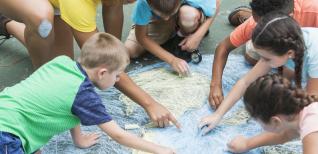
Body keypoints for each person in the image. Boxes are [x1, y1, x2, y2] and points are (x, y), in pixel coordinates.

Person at [0, 0, 180, 129]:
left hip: (62, 4)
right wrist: (149, 104)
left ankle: (5, 25)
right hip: (52, 7)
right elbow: (104, 59)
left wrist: (119, 58)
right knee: (55, 68)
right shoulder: (78, 6)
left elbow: (112, 6)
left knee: (62, 59)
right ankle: (42, 79)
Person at [200, 12, 318, 135]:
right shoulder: (288, 44)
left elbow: (309, 108)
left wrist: (255, 138)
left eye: (267, 59)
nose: (262, 61)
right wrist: (218, 115)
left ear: (289, 55)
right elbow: (245, 81)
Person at [0, 33, 175, 154]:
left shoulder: (62, 62)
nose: (117, 80)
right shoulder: (84, 96)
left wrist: (79, 139)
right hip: (7, 135)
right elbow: (118, 134)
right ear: (102, 73)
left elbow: (68, 106)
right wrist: (158, 149)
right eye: (117, 75)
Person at [208, 0, 318, 109]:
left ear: (289, 17)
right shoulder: (260, 23)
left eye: (259, 23)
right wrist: (215, 85)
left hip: (313, 47)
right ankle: (245, 17)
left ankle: (246, 18)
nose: (258, 25)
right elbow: (223, 47)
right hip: (278, 39)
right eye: (256, 21)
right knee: (251, 55)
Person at [227, 74, 318, 154]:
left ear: (275, 121)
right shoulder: (307, 108)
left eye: (257, 120)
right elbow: (284, 135)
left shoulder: (312, 129)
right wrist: (247, 144)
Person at [124, 0, 219, 76]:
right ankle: (173, 35)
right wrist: (171, 59)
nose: (166, 18)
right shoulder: (143, 3)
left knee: (188, 16)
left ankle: (185, 32)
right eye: (160, 13)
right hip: (157, 20)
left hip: (184, 12)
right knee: (131, 50)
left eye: (169, 13)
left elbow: (216, 3)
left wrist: (198, 36)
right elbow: (141, 37)